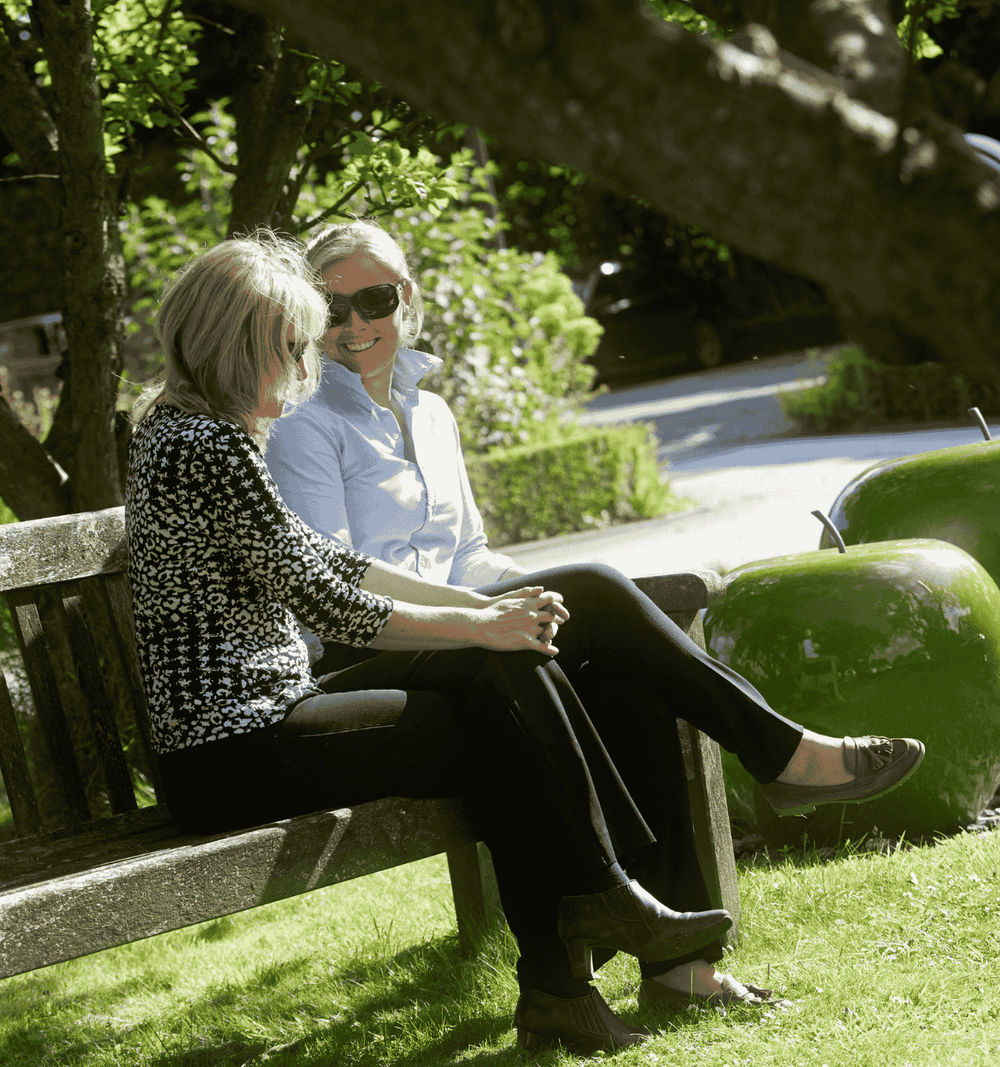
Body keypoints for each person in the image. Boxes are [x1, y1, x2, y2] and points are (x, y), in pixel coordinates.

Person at [264, 219, 929, 1011]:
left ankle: (683, 972)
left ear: (406, 298)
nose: (353, 325)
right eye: (330, 309)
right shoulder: (305, 425)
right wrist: (497, 616)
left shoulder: (432, 414)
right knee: (600, 591)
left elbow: (471, 554)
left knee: (624, 677)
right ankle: (783, 752)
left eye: (371, 299)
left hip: (472, 644)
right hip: (370, 658)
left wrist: (535, 602)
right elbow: (338, 597)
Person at [126, 235, 755, 1055]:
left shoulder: (194, 433)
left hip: (269, 718)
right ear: (238, 343)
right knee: (499, 717)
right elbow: (331, 604)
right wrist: (480, 624)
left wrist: (476, 607)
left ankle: (589, 934)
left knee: (502, 685)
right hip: (232, 750)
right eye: (291, 348)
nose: (305, 369)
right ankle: (585, 932)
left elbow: (334, 562)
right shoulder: (201, 446)